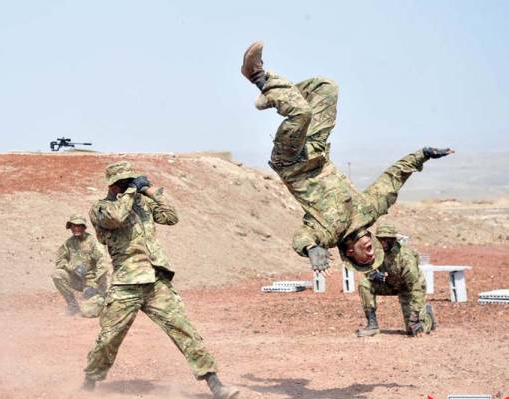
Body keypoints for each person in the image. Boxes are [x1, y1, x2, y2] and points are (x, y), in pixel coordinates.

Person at [241, 41, 454, 275]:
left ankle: (258, 76)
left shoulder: (329, 233)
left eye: (366, 259)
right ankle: (272, 95)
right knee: (326, 88)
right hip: (317, 149)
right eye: (374, 255)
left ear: (351, 253)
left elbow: (302, 237)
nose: (372, 253)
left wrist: (311, 249)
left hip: (292, 162)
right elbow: (392, 180)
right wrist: (422, 155)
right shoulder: (370, 210)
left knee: (301, 113)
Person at [81, 160, 239, 399]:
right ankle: (89, 382)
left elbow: (170, 217)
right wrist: (132, 191)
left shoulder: (140, 204)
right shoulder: (101, 208)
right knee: (109, 338)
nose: (127, 186)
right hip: (126, 283)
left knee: (184, 331)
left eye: (130, 181)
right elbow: (116, 218)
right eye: (123, 183)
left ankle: (215, 383)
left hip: (155, 281)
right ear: (113, 186)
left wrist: (151, 193)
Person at [356, 224, 436, 337]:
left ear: (393, 240)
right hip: (389, 284)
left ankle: (427, 317)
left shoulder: (405, 257)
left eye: (386, 239)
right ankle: (372, 325)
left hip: (408, 288)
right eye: (380, 239)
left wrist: (417, 314)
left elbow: (415, 288)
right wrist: (373, 274)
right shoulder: (375, 251)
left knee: (414, 330)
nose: (382, 242)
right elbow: (366, 267)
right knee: (364, 284)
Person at [52, 214, 108, 317]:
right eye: (73, 226)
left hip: (93, 282)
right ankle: (73, 306)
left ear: (84, 228)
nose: (76, 228)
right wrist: (72, 267)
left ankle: (103, 303)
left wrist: (95, 283)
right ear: (70, 228)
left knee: (87, 312)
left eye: (79, 226)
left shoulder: (93, 242)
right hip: (78, 280)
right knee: (57, 274)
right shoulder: (68, 243)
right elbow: (60, 261)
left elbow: (103, 264)